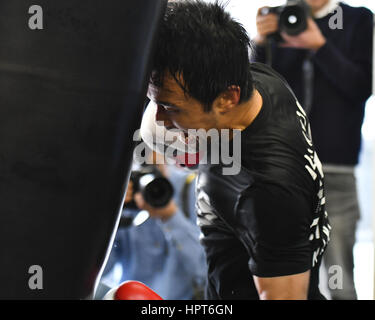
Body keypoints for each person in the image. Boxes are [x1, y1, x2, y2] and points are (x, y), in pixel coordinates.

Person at [143, 0, 331, 300]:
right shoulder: (263, 83)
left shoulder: (265, 191)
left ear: (227, 99)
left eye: (171, 108)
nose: (161, 119)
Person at [252, 0, 373, 300]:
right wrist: (259, 43)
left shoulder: (357, 20)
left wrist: (319, 44)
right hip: (283, 169)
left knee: (339, 278)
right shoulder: (281, 20)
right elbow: (256, 89)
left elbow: (360, 85)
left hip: (336, 169)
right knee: (284, 276)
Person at [97, 162, 206, 300]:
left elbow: (206, 273)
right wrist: (108, 213)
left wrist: (171, 216)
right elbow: (97, 273)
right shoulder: (121, 191)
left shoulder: (194, 189)